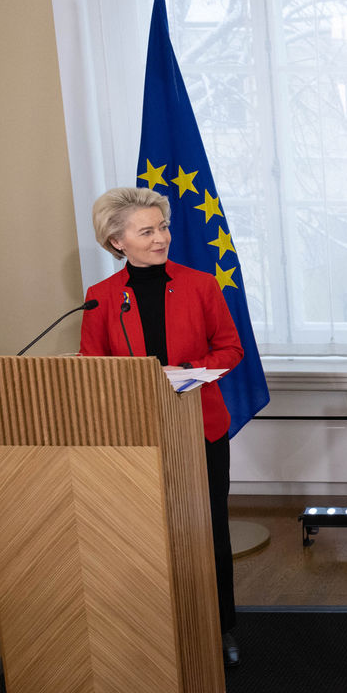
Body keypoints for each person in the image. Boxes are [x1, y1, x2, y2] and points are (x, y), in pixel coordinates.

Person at [79, 187, 245, 667]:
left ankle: (220, 629)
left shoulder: (200, 285)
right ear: (117, 242)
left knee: (208, 530)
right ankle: (151, 625)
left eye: (163, 227)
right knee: (145, 531)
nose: (161, 238)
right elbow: (94, 367)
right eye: (147, 231)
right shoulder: (99, 299)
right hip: (135, 435)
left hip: (200, 427)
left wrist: (187, 370)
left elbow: (231, 349)